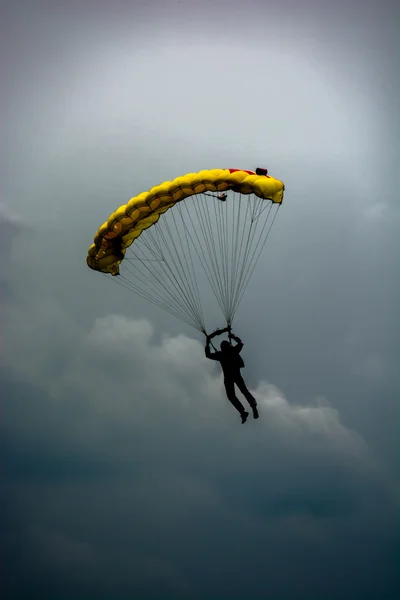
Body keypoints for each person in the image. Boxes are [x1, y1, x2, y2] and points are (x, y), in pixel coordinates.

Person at [205, 328, 259, 424]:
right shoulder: (233, 350)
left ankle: (243, 411)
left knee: (232, 395)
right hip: (235, 375)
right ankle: (251, 405)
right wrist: (233, 337)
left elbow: (208, 355)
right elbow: (241, 343)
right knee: (243, 391)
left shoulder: (221, 354)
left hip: (229, 377)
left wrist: (207, 343)